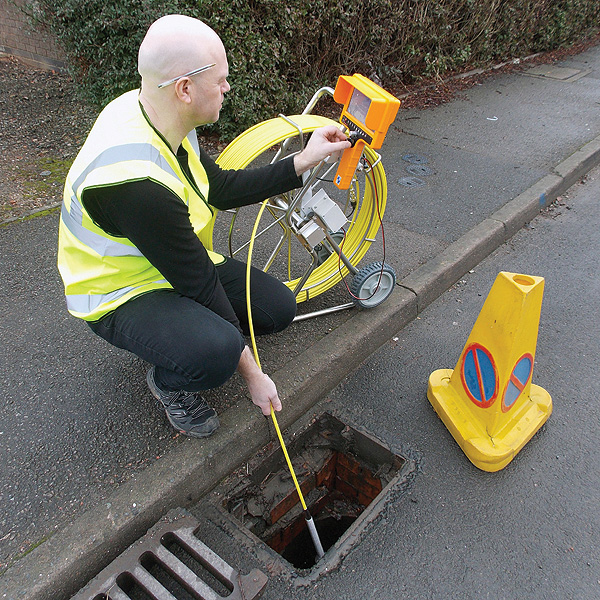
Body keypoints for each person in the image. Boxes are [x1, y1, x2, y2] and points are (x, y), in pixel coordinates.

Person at [57, 14, 350, 439]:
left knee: (278, 308)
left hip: (169, 260)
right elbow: (199, 283)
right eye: (221, 80)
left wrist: (304, 159)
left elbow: (219, 186)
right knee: (220, 353)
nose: (227, 89)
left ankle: (185, 336)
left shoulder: (159, 112)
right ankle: (169, 381)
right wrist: (253, 375)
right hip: (120, 291)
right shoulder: (136, 184)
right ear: (185, 88)